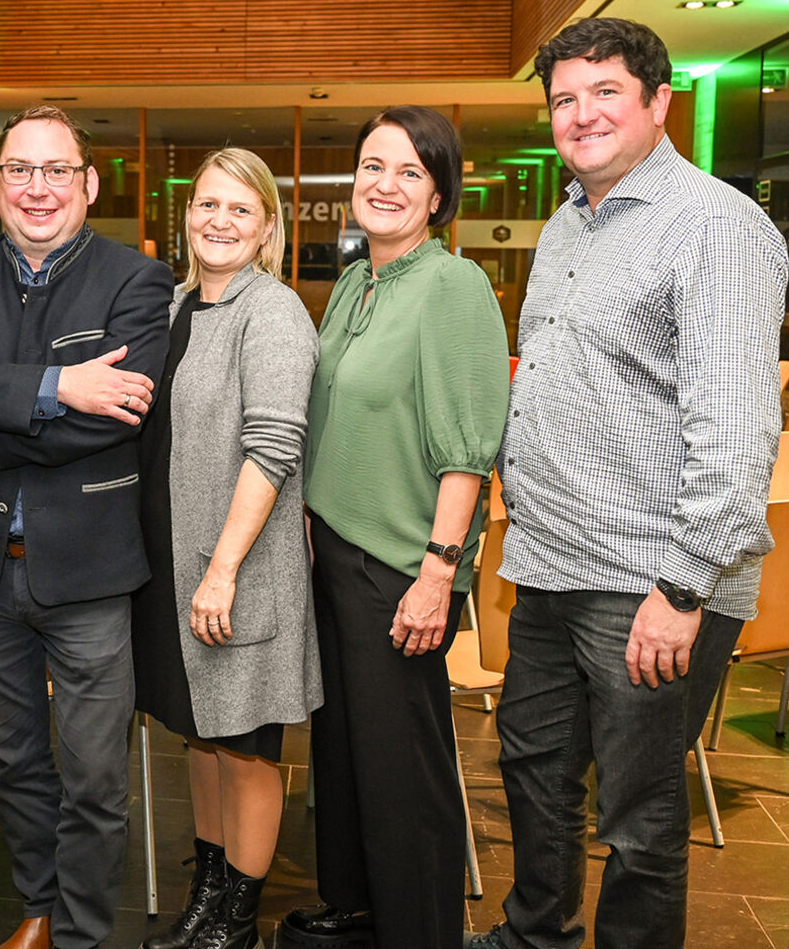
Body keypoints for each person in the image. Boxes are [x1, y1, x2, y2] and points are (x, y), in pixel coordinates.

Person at [467, 18, 788, 949]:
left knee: (640, 819)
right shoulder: (571, 222)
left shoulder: (716, 227)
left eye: (604, 92)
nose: (580, 114)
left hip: (653, 580)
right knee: (534, 774)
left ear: (659, 103)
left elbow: (736, 428)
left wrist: (684, 588)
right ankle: (537, 935)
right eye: (564, 98)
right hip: (552, 565)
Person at [0, 105, 173, 949]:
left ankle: (87, 935)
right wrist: (59, 388)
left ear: (89, 185)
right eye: (20, 169)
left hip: (88, 570)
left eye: (57, 170)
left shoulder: (136, 281)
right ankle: (39, 910)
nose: (38, 187)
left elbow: (119, 414)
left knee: (93, 776)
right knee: (14, 761)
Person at [287, 106, 509, 949]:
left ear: (440, 195)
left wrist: (437, 573)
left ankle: (420, 930)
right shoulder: (355, 281)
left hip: (404, 564)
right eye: (373, 167)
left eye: (410, 172)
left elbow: (467, 452)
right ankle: (354, 905)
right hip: (335, 551)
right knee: (344, 751)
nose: (386, 185)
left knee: (402, 767)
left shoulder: (452, 288)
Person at [131, 148, 322, 949]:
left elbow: (273, 446)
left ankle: (236, 919)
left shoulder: (271, 311)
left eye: (240, 209)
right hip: (172, 571)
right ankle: (207, 894)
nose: (219, 221)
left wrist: (221, 572)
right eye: (207, 205)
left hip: (233, 571)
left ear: (268, 227)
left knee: (246, 747)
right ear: (186, 215)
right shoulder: (173, 306)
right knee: (200, 735)